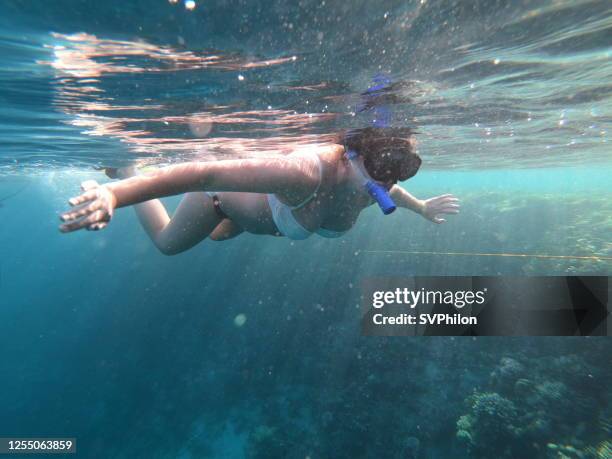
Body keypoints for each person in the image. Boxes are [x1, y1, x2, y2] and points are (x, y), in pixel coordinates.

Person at [59, 127, 459, 255]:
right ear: (353, 154)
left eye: (405, 170)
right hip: (215, 201)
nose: (392, 181)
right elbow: (202, 174)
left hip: (247, 220)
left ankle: (231, 218)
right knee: (168, 245)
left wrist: (421, 206)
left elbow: (387, 193)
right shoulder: (305, 174)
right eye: (387, 167)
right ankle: (128, 164)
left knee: (220, 238)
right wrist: (116, 193)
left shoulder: (372, 182)